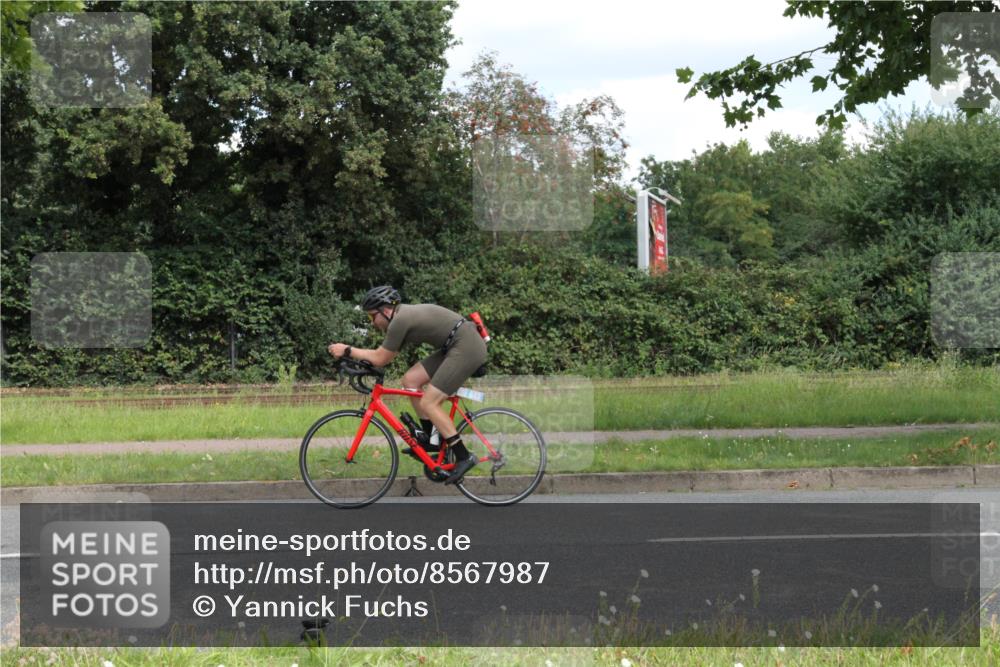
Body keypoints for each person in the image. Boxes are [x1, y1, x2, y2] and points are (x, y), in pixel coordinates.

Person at [327, 286, 487, 484]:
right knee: (410, 380)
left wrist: (347, 350)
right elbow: (386, 356)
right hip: (455, 344)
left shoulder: (400, 320)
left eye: (372, 317)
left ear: (385, 311)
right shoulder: (401, 318)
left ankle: (464, 456)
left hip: (466, 346)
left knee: (430, 402)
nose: (372, 323)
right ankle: (431, 439)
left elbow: (380, 358)